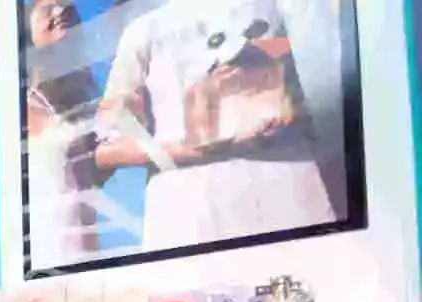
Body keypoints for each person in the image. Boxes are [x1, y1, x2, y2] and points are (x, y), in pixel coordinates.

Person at [94, 0, 338, 251]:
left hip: (292, 205)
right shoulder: (144, 31)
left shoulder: (284, 6)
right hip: (189, 223)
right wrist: (204, 148)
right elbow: (107, 150)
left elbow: (335, 97)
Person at [25, 0, 101, 271]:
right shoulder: (22, 107)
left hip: (88, 262)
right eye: (48, 8)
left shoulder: (82, 105)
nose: (60, 11)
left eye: (68, 6)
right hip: (50, 263)